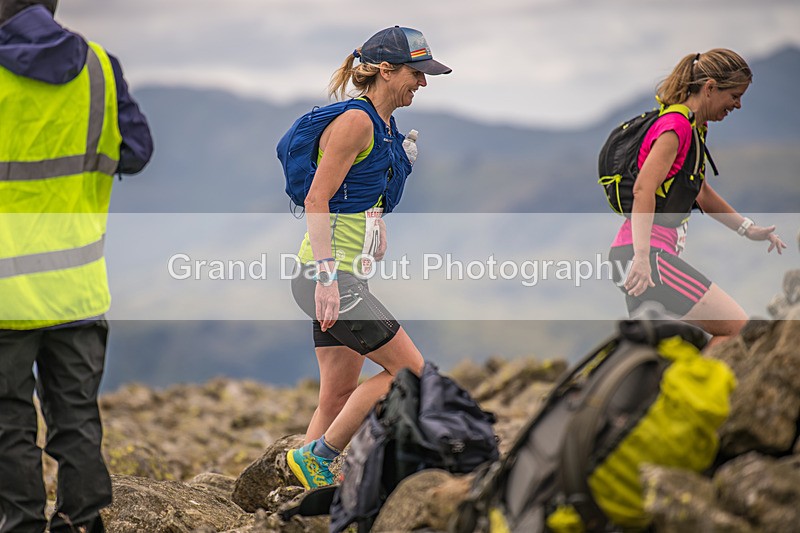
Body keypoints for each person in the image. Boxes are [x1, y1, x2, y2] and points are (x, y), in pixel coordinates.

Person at [0, 1, 153, 531]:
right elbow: (136, 152)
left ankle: (19, 525)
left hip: (4, 296)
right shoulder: (101, 67)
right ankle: (81, 521)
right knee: (77, 418)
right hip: (76, 287)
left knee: (7, 423)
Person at [285, 26, 450, 489]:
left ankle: (301, 490)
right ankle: (320, 456)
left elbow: (356, 199)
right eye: (416, 73)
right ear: (385, 70)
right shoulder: (357, 121)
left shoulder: (384, 127)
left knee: (336, 396)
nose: (422, 82)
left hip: (337, 275)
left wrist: (374, 229)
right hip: (330, 277)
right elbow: (317, 200)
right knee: (412, 375)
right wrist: (327, 279)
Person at [608, 49, 786, 346]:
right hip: (647, 260)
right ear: (710, 88)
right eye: (735, 95)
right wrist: (642, 258)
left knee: (665, 350)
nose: (739, 105)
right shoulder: (676, 126)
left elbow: (700, 192)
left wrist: (747, 229)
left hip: (637, 257)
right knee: (735, 330)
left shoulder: (693, 128)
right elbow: (643, 189)